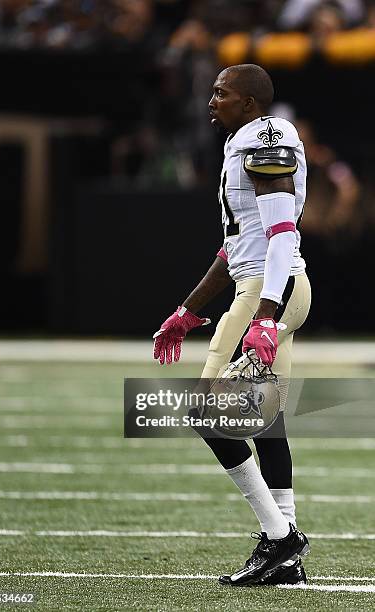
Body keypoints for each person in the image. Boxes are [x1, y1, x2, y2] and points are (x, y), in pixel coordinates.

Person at [153, 64, 311, 586]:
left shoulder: (264, 136)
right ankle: (285, 555)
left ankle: (281, 539)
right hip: (268, 286)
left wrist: (265, 316)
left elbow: (284, 232)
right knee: (265, 419)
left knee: (206, 411)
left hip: (270, 290)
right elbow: (237, 247)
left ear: (249, 103)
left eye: (221, 93)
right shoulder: (243, 142)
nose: (210, 101)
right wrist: (188, 310)